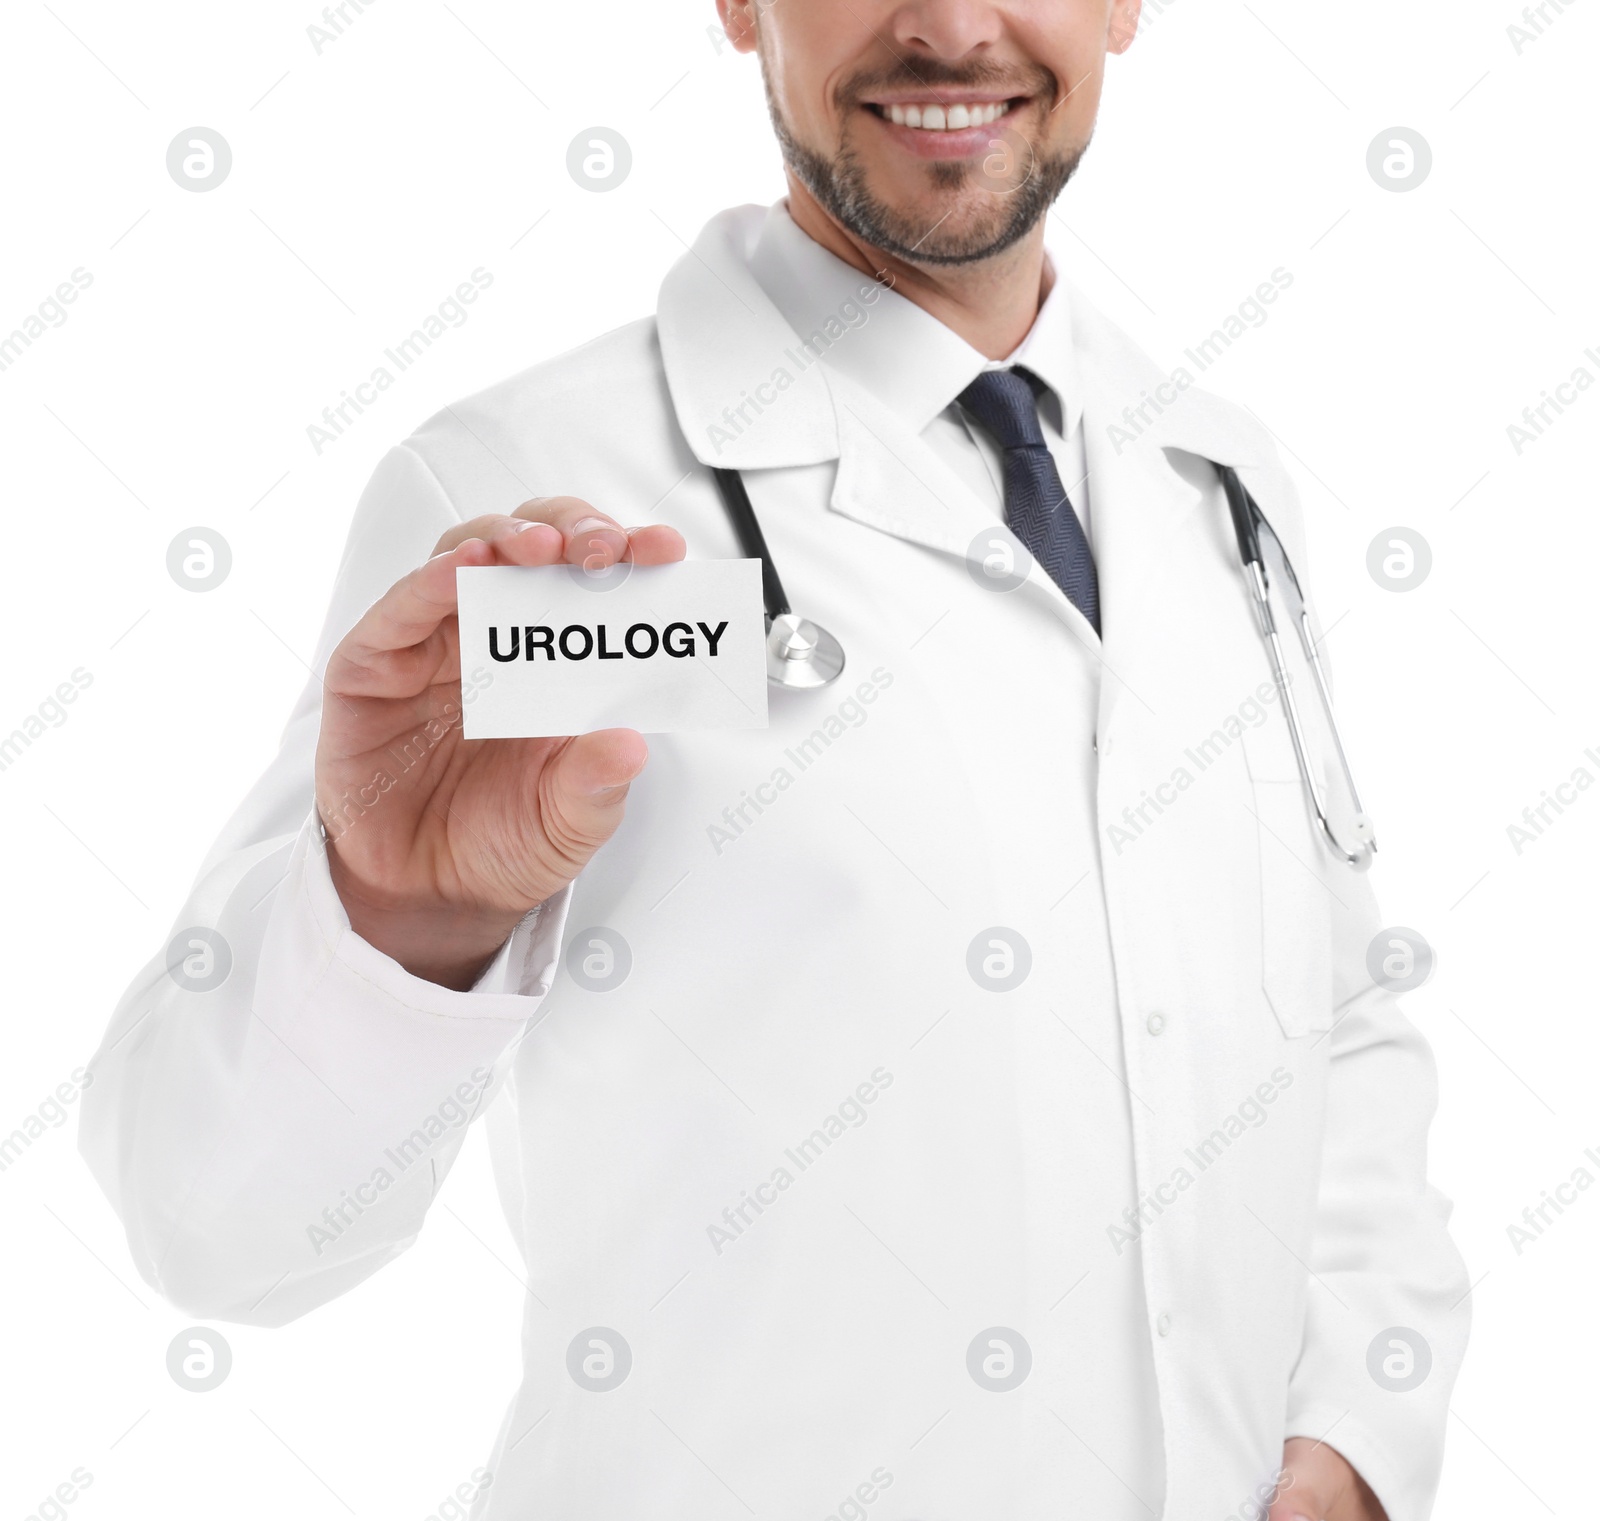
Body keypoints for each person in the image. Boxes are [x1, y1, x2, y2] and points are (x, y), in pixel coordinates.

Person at [81, 0, 1468, 1516]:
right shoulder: (537, 502)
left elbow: (1333, 1026)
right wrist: (401, 924)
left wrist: (1347, 1442)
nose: (951, 27)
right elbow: (212, 1227)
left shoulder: (1220, 483)